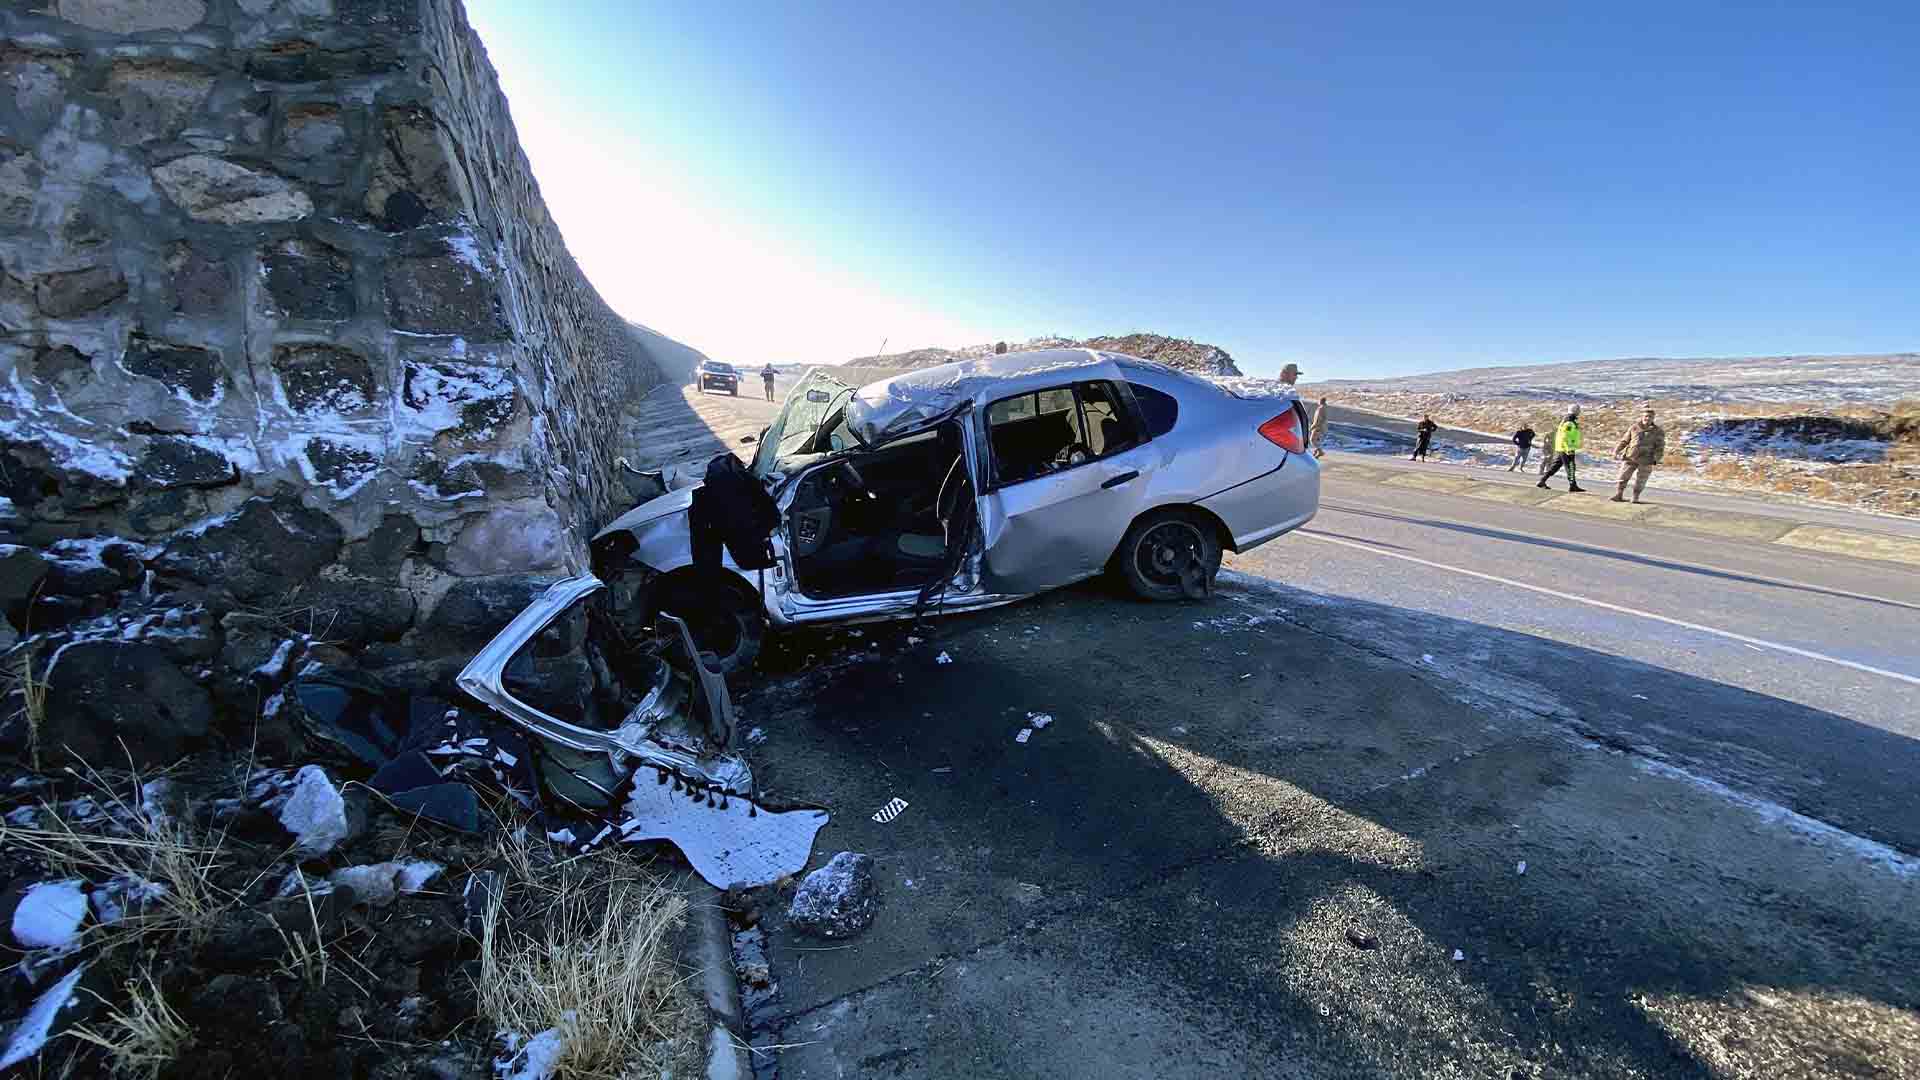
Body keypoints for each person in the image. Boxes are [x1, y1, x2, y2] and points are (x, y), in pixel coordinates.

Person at [1612, 408, 1666, 503]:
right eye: (1646, 416)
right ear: (1642, 417)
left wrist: (1656, 459)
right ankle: (1619, 494)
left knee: (1641, 480)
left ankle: (1635, 497)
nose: (1647, 418)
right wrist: (1616, 451)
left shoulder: (1658, 431)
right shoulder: (1634, 427)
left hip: (1647, 459)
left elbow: (1660, 447)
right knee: (1622, 477)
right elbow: (1624, 441)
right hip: (1630, 457)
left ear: (1653, 418)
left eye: (1650, 417)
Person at [1537, 408, 1585, 492]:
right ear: (1576, 411)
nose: (1579, 412)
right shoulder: (1569, 422)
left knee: (1555, 467)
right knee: (1570, 467)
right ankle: (1573, 486)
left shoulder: (1567, 420)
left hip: (1562, 448)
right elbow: (1565, 436)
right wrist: (1568, 449)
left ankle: (1542, 481)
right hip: (1566, 449)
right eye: (1578, 410)